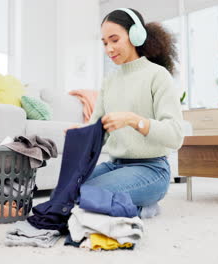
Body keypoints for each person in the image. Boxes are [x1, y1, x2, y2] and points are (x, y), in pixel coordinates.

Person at [67, 8, 184, 218]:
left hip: (152, 170)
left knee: (87, 195)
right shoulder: (109, 81)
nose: (109, 49)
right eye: (104, 43)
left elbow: (175, 136)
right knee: (68, 190)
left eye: (114, 40)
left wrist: (133, 120)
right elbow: (98, 130)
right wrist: (82, 133)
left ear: (135, 35)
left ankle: (143, 208)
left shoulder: (158, 76)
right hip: (115, 166)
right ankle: (131, 206)